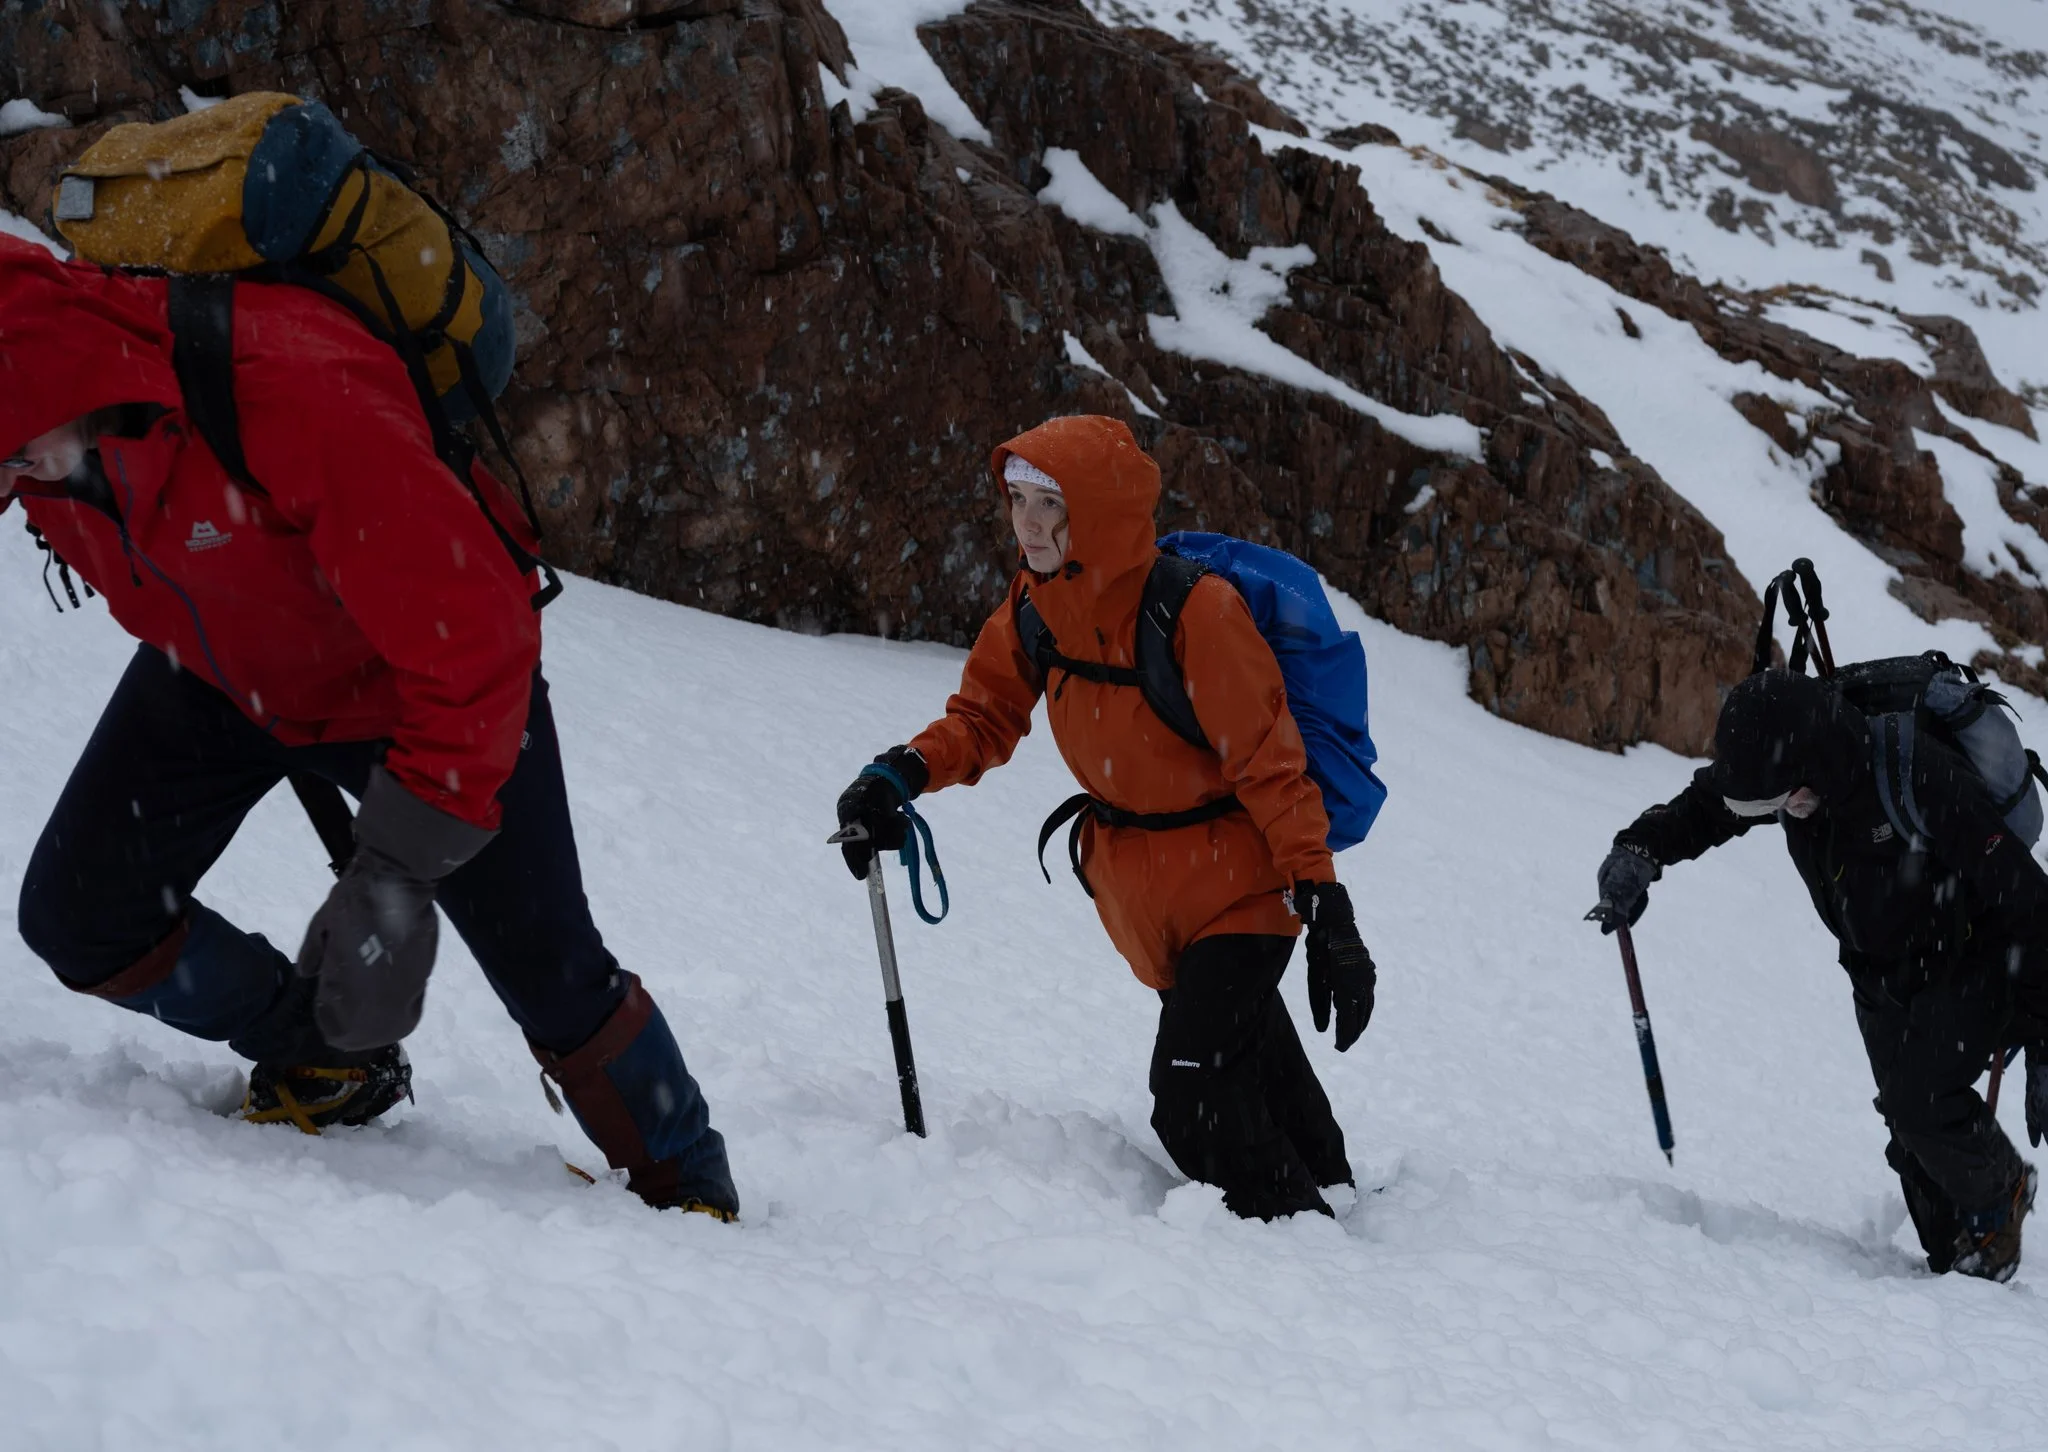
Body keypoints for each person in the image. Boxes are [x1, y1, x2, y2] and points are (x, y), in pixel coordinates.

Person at [0, 235, 737, 1219]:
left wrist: (392, 873)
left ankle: (689, 1189)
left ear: (56, 370)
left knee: (554, 978)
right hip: (225, 671)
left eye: (11, 452)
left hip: (417, 682)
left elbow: (476, 642)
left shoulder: (289, 387)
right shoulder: (52, 442)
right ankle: (326, 1057)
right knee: (80, 912)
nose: (13, 486)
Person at [834, 414, 1376, 1220]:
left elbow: (1272, 764)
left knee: (1191, 1093)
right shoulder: (1034, 603)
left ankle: (1300, 1246)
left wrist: (1324, 901)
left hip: (1240, 889)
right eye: (1017, 499)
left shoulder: (1197, 612)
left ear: (1098, 510)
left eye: (1049, 504)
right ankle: (1329, 1186)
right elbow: (986, 716)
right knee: (1246, 1050)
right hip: (1143, 899)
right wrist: (901, 773)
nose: (1027, 522)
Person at [1593, 667, 2048, 1279]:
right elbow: (1710, 806)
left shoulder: (1914, 776)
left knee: (1921, 1102)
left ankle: (2002, 1196)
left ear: (1813, 768)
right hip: (1878, 969)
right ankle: (1957, 1271)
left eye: (1783, 801)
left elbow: (2030, 905)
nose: (1783, 813)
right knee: (1914, 1134)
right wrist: (1641, 848)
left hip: (1973, 955)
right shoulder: (1791, 773)